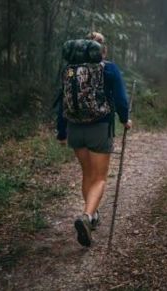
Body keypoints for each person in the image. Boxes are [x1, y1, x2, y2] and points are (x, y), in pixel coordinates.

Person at [56, 31, 132, 247]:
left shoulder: (69, 70)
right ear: (102, 49)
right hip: (99, 128)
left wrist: (61, 132)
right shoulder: (109, 68)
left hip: (75, 129)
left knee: (87, 174)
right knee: (99, 178)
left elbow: (61, 102)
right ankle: (87, 217)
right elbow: (120, 99)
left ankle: (93, 214)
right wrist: (125, 119)